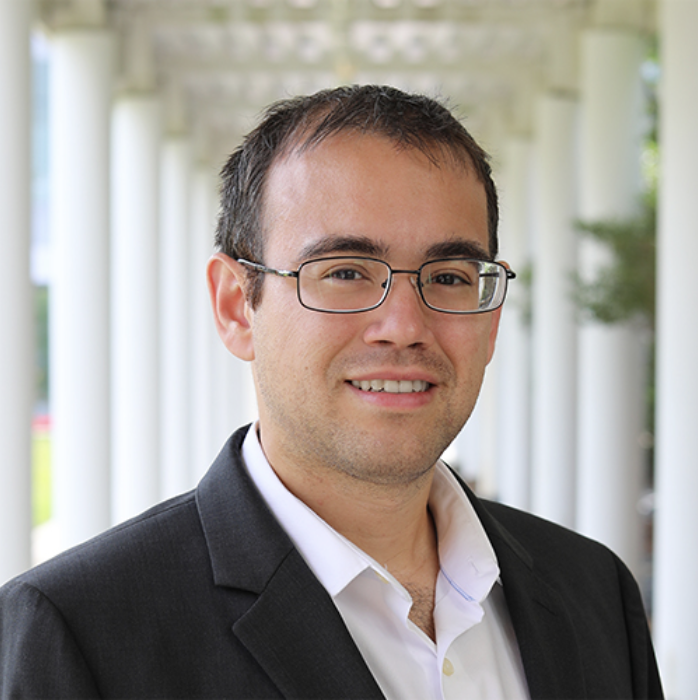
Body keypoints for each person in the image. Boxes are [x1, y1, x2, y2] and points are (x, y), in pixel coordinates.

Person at [0, 85, 662, 700]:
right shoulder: (80, 633)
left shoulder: (593, 591)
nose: (404, 326)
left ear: (489, 317)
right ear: (237, 306)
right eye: (344, 271)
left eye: (451, 277)